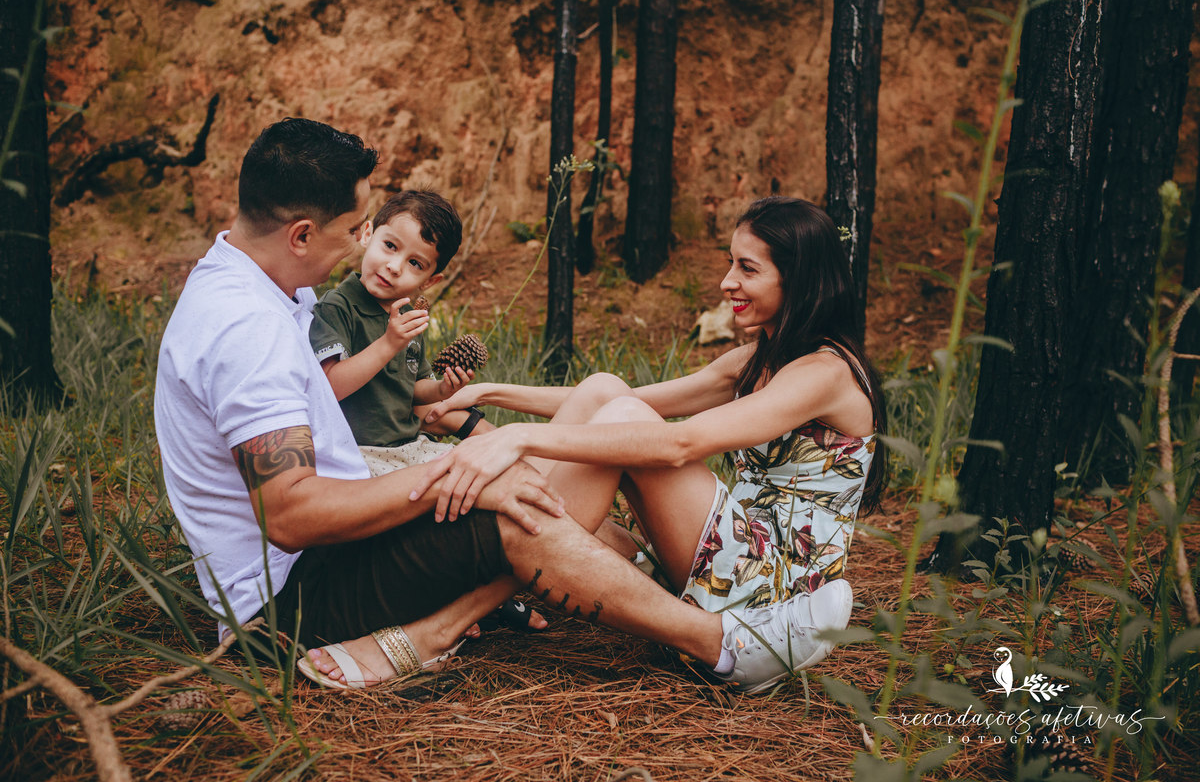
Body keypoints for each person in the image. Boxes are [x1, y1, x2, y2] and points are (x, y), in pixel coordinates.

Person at [154, 118, 851, 694]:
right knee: (522, 511)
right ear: (301, 235)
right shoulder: (246, 330)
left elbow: (638, 415)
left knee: (542, 464)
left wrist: (493, 426)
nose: (363, 245)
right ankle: (727, 646)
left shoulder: (262, 289)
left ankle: (441, 624)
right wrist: (458, 473)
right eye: (357, 228)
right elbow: (292, 513)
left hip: (334, 556)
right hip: (292, 604)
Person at [415, 196, 886, 629]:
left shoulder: (825, 372)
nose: (727, 282)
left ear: (797, 277)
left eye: (748, 268)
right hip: (736, 552)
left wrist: (519, 437)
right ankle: (478, 562)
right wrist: (487, 393)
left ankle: (456, 607)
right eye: (730, 264)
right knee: (606, 389)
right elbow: (612, 399)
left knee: (620, 420)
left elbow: (679, 444)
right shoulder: (759, 359)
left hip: (777, 589)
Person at [307, 188, 544, 630]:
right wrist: (389, 342)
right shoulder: (338, 307)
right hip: (362, 455)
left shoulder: (405, 316)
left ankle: (483, 593)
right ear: (367, 234)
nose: (394, 266)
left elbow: (405, 388)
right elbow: (330, 386)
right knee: (440, 510)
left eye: (415, 263)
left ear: (430, 280)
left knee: (477, 487)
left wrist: (440, 389)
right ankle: (451, 604)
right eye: (390, 246)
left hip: (406, 444)